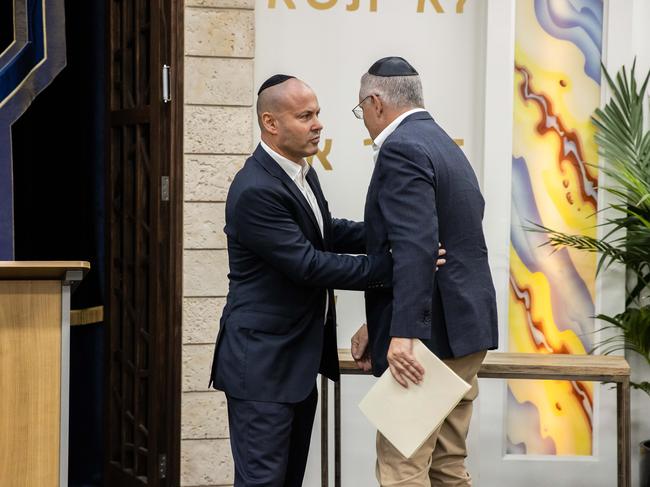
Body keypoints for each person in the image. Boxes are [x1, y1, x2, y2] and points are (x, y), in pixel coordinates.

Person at [209, 74, 403, 487]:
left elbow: (326, 230)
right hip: (262, 369)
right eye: (305, 116)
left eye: (317, 114)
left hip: (295, 364)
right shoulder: (256, 188)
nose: (318, 124)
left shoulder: (300, 169)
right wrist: (394, 268)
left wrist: (397, 237)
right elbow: (310, 265)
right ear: (270, 123)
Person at [350, 57, 499, 487]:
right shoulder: (442, 143)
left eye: (361, 111)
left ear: (375, 102)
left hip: (428, 340)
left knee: (402, 469)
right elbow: (436, 242)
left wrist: (402, 334)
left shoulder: (402, 147)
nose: (364, 121)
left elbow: (416, 246)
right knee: (447, 465)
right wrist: (378, 321)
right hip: (466, 332)